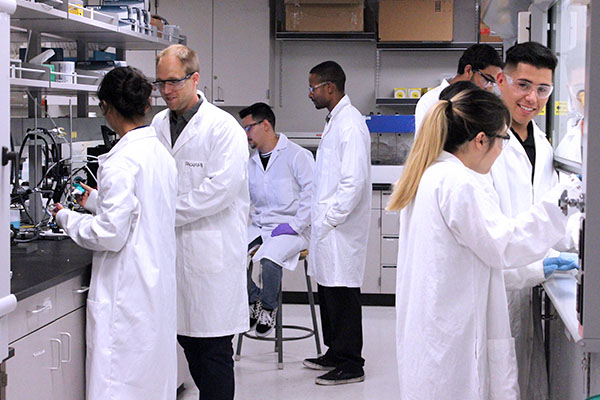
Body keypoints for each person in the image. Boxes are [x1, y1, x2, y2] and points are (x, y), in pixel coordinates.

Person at [388, 84, 581, 399]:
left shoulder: (433, 174)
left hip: (435, 330)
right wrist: (561, 203)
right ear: (480, 140)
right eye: (503, 140)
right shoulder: (457, 183)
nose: (503, 150)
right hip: (452, 340)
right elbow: (502, 244)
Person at [53, 66, 178, 400]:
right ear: (146, 104)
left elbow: (110, 234)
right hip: (154, 286)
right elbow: (143, 210)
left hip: (128, 292)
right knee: (150, 382)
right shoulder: (159, 152)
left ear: (107, 107)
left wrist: (68, 218)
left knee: (119, 383)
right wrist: (96, 200)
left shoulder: (122, 161)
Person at [151, 44, 249, 400]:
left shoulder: (224, 129)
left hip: (212, 256)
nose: (165, 91)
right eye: (159, 83)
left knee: (213, 354)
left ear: (194, 78)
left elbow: (219, 191)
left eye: (173, 82)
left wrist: (161, 212)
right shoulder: (159, 124)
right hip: (174, 256)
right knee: (189, 346)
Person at [493, 41, 579, 400]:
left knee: (521, 377)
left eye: (542, 89)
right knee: (494, 379)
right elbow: (492, 234)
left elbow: (550, 209)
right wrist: (536, 263)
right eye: (523, 85)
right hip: (495, 287)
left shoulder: (542, 143)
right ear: (501, 80)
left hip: (527, 282)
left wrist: (575, 243)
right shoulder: (483, 140)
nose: (532, 98)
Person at [302, 61, 371, 385]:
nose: (310, 93)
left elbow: (353, 183)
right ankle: (334, 351)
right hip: (329, 229)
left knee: (342, 295)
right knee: (329, 291)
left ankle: (350, 363)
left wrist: (329, 220)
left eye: (313, 88)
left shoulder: (350, 125)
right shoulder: (335, 122)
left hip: (339, 230)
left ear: (330, 88)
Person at [239, 102, 315, 336]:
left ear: (266, 125)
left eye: (249, 128)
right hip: (261, 226)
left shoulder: (297, 155)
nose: (246, 134)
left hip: (293, 228)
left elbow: (312, 194)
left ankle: (269, 309)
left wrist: (295, 225)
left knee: (270, 260)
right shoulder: (250, 162)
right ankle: (254, 301)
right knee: (232, 254)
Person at [414, 43, 503, 134]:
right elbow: (425, 145)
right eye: (487, 80)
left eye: (493, 83)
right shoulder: (430, 101)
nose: (489, 88)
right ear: (468, 71)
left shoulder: (482, 103)